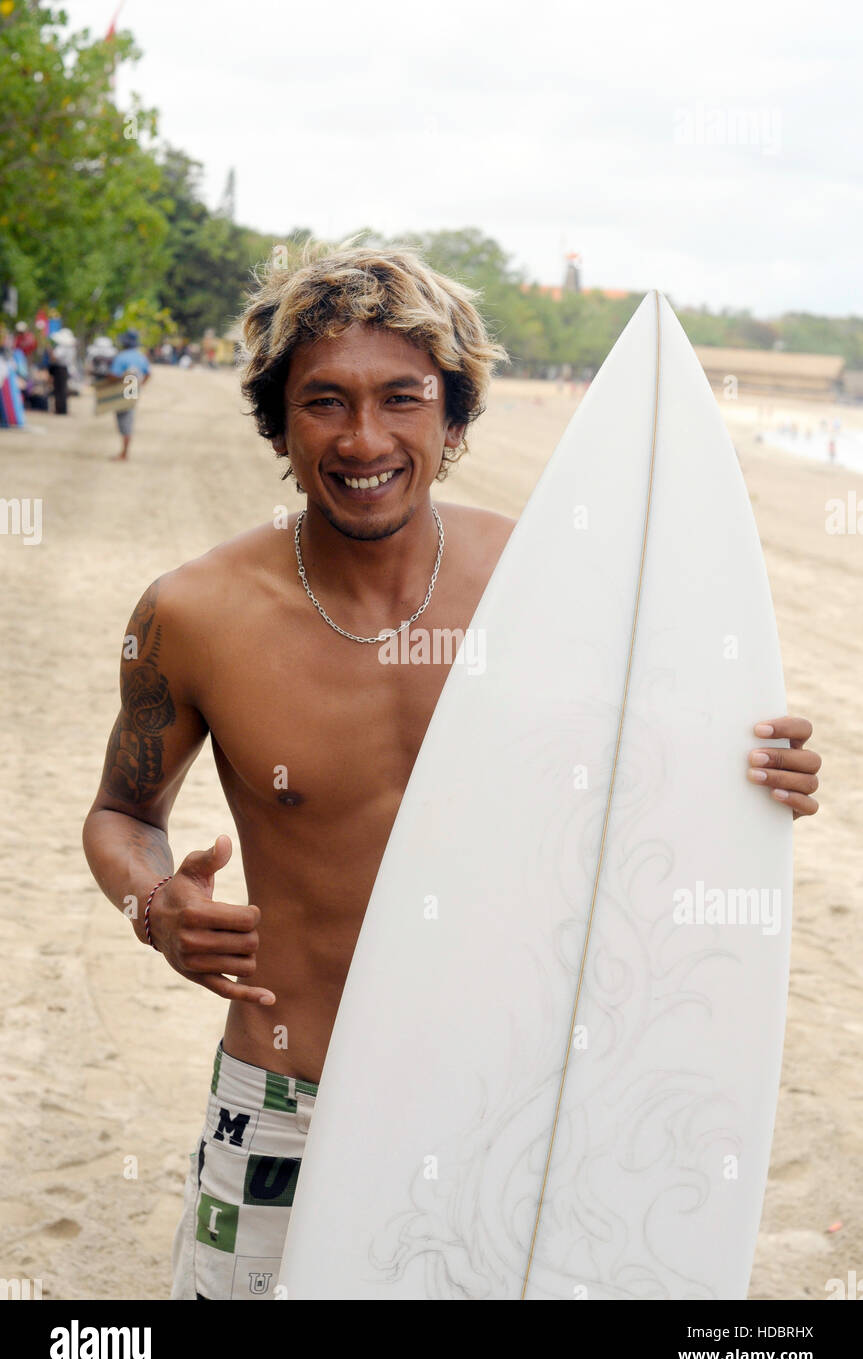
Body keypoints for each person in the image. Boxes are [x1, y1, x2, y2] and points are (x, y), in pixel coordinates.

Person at [81, 245, 823, 1301]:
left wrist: (759, 779)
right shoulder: (192, 613)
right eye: (323, 402)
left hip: (502, 1095)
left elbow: (657, 775)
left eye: (402, 399)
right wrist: (153, 903)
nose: (363, 438)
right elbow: (119, 810)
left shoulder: (549, 587)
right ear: (279, 426)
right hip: (288, 1088)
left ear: (454, 420)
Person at [106, 329, 151, 461]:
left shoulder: (121, 357)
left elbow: (114, 375)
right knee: (128, 418)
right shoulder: (141, 357)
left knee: (124, 421)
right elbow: (148, 374)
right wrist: (140, 385)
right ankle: (124, 452)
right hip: (132, 391)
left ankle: (124, 454)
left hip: (122, 392)